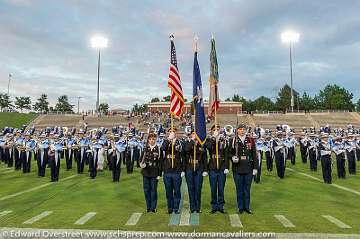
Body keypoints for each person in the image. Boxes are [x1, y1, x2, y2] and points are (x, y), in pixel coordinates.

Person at [229, 124, 258, 214]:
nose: (242, 131)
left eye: (243, 129)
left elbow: (254, 154)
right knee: (239, 189)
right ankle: (240, 207)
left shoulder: (250, 140)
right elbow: (229, 152)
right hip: (237, 168)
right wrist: (232, 157)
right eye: (240, 129)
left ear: (246, 130)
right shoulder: (233, 140)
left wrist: (255, 168)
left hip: (248, 168)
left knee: (247, 189)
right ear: (237, 130)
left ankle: (247, 207)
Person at [205, 124, 229, 214]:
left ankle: (221, 206)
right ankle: (214, 206)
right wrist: (214, 138)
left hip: (222, 166)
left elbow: (226, 154)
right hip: (212, 167)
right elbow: (208, 147)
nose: (216, 130)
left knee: (221, 188)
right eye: (214, 129)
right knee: (213, 188)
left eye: (218, 129)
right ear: (211, 131)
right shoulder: (209, 139)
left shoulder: (224, 140)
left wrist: (227, 167)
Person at [184, 130, 208, 213]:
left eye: (196, 134)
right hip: (189, 168)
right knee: (191, 188)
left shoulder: (201, 144)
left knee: (198, 188)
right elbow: (186, 150)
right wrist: (192, 141)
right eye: (193, 134)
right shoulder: (187, 142)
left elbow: (204, 158)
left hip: (199, 168)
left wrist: (205, 169)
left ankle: (198, 207)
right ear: (191, 135)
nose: (195, 135)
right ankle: (192, 207)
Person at [161, 127, 184, 214]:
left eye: (174, 131)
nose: (172, 132)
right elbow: (162, 148)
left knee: (177, 191)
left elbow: (183, 152)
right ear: (168, 133)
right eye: (170, 131)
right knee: (168, 191)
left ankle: (176, 208)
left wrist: (183, 170)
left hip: (177, 171)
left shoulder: (180, 142)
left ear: (176, 133)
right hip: (167, 171)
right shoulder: (165, 142)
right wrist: (168, 140)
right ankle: (170, 208)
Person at [140, 133, 162, 213]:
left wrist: (159, 174)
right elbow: (141, 159)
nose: (152, 140)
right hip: (145, 172)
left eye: (153, 139)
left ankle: (153, 207)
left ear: (155, 139)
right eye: (150, 139)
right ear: (148, 140)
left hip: (154, 173)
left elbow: (160, 162)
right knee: (146, 190)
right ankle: (148, 207)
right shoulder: (145, 148)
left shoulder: (158, 149)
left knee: (153, 190)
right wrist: (141, 164)